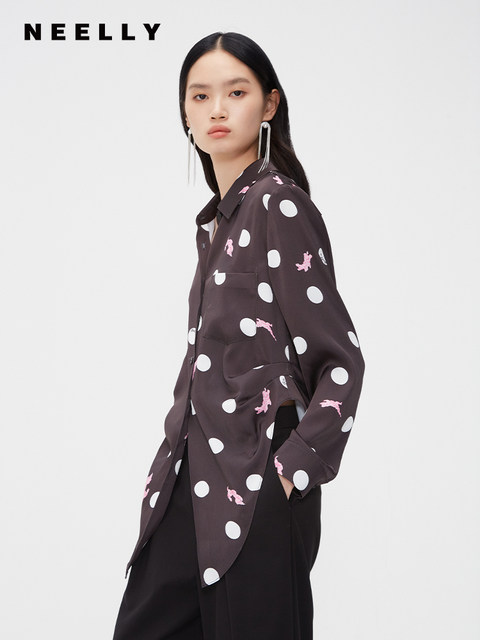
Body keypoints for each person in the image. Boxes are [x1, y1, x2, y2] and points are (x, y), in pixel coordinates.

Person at [112, 31, 365, 640]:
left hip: (257, 485)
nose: (217, 109)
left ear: (269, 104)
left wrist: (290, 471)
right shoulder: (216, 225)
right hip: (188, 477)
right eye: (200, 96)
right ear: (185, 114)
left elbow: (341, 361)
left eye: (237, 92)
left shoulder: (278, 205)